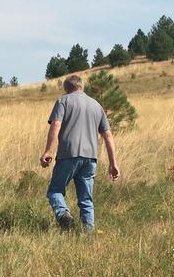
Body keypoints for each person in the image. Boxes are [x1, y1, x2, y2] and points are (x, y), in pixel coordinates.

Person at [39, 75, 120, 233]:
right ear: (81, 87)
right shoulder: (97, 105)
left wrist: (48, 150)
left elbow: (56, 124)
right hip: (91, 158)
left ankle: (64, 217)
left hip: (68, 154)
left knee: (55, 191)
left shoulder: (64, 101)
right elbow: (108, 136)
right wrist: (113, 163)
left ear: (66, 88)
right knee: (86, 200)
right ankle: (87, 236)